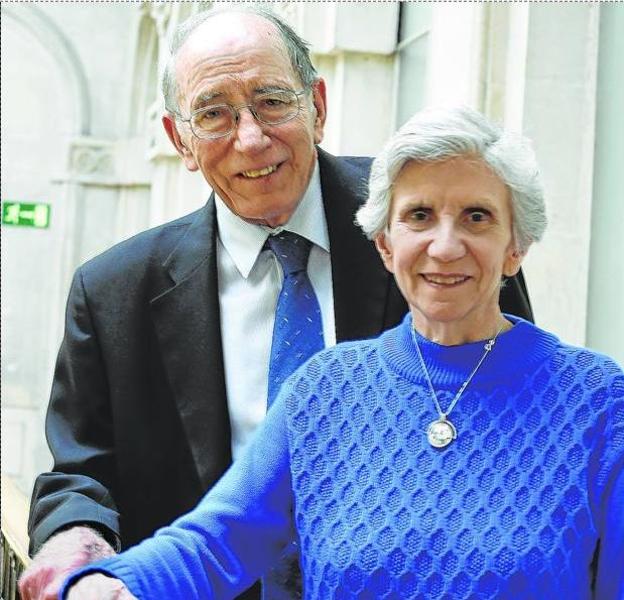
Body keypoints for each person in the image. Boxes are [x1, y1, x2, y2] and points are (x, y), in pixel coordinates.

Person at [18, 6, 534, 599]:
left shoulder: (431, 230)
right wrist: (78, 553)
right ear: (178, 140)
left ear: (317, 105)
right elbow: (82, 475)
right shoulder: (113, 293)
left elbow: (518, 410)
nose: (251, 137)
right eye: (213, 114)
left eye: (272, 101)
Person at [59, 106, 623, 600]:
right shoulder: (323, 389)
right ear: (384, 243)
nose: (445, 246)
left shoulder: (599, 403)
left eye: (477, 216)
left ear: (515, 248)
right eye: (419, 216)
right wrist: (107, 583)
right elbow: (217, 541)